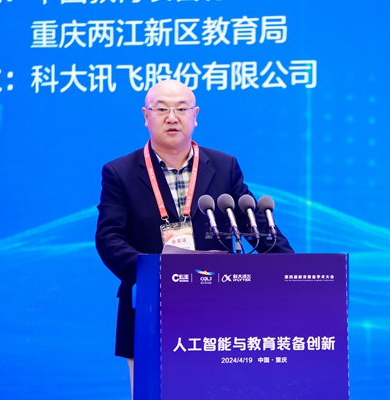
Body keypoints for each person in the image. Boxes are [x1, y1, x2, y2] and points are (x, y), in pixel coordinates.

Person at [94, 79, 294, 396]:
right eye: (162, 109)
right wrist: (155, 274)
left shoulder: (224, 166)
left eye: (181, 109)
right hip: (149, 306)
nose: (172, 117)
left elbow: (253, 224)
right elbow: (109, 238)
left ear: (195, 115)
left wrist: (292, 270)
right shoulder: (120, 172)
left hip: (218, 304)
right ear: (146, 116)